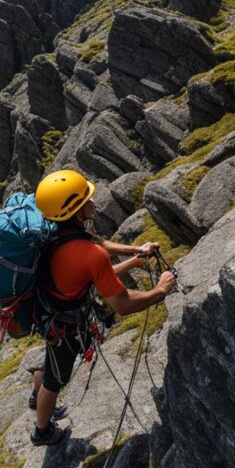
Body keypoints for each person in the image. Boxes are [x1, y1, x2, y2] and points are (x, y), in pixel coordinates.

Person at [29, 169, 176, 446]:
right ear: (74, 208)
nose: (93, 202)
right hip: (64, 325)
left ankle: (36, 395)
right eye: (87, 198)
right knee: (54, 380)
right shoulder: (90, 255)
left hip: (47, 309)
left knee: (50, 361)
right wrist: (160, 289)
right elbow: (122, 304)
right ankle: (42, 431)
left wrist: (135, 252)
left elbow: (98, 247)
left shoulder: (57, 231)